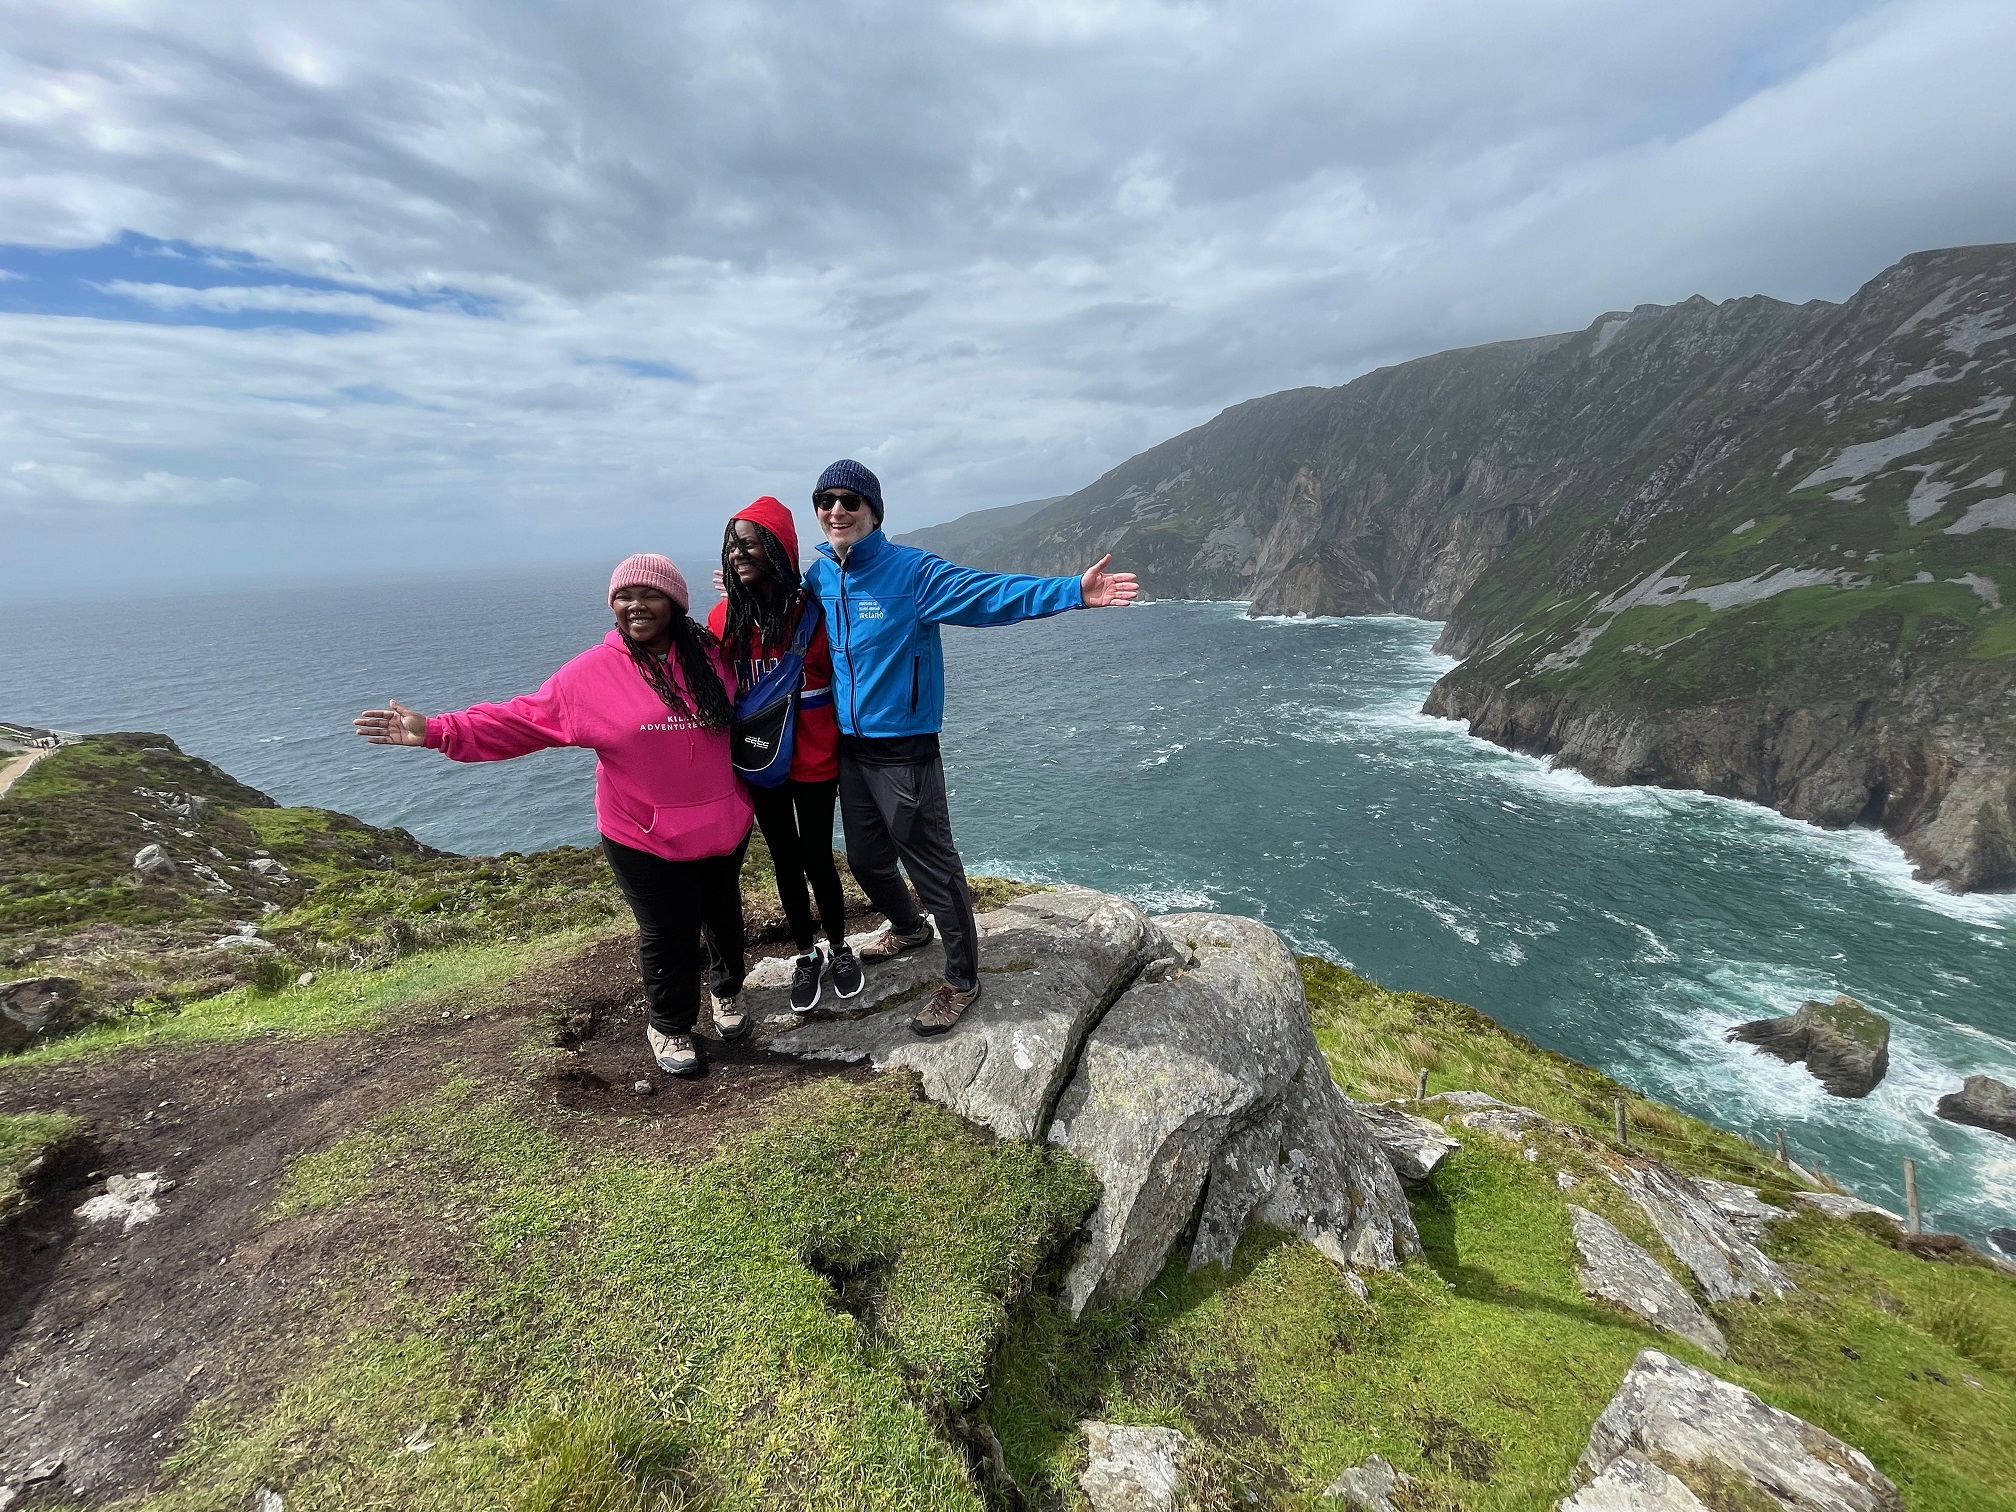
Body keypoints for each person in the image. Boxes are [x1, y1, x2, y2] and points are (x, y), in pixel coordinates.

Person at [352, 554, 752, 1078]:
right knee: (669, 928)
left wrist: (749, 587)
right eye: (624, 596)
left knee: (722, 914)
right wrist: (435, 730)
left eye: (650, 595)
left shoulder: (713, 655)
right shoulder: (592, 674)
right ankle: (670, 1024)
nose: (636, 606)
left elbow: (773, 646)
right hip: (643, 834)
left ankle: (726, 993)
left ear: (675, 604)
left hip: (723, 825)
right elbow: (522, 720)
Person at [805, 458, 1137, 1037]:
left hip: (906, 750)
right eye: (826, 500)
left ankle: (961, 980)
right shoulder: (821, 577)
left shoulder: (912, 573)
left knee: (933, 866)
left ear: (873, 512)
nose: (837, 510)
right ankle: (910, 929)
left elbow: (987, 594)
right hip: (852, 750)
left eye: (849, 501)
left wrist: (1073, 592)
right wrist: (742, 581)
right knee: (864, 859)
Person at [706, 496, 863, 1013]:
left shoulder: (813, 612)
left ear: (776, 548)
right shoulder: (724, 615)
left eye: (748, 544)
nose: (737, 554)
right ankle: (804, 953)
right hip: (760, 758)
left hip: (815, 757)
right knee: (784, 860)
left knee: (818, 855)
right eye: (731, 546)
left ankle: (839, 947)